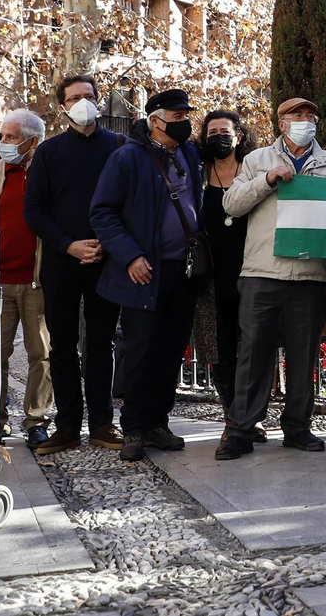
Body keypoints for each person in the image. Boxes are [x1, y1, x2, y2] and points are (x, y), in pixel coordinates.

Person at [216, 97, 326, 461]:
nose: (305, 120)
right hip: (262, 272)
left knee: (304, 356)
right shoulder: (257, 159)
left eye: (310, 115)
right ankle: (241, 430)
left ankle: (298, 428)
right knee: (253, 354)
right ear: (281, 123)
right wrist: (267, 180)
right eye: (297, 115)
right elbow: (231, 204)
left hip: (310, 274)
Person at [91, 88, 204, 462]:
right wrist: (130, 256)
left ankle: (158, 423)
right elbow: (103, 213)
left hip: (182, 270)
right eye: (176, 117)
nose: (184, 122)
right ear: (154, 120)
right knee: (141, 350)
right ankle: (134, 428)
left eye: (186, 115)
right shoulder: (127, 157)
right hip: (144, 271)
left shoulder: (188, 153)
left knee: (171, 351)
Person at [24, 74, 127, 454]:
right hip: (61, 262)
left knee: (101, 344)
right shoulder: (48, 152)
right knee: (62, 346)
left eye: (89, 96)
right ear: (62, 106)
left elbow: (129, 203)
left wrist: (108, 246)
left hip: (107, 261)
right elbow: (34, 211)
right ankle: (66, 425)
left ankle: (102, 423)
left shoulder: (120, 147)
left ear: (98, 101)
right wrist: (69, 245)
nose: (82, 103)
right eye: (74, 98)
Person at [0, 109, 54, 449]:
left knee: (41, 354)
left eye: (9, 137)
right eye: (2, 136)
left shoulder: (49, 173)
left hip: (37, 282)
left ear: (32, 142)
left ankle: (37, 421)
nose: (1, 143)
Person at [195, 110, 256, 425]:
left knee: (254, 345)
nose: (218, 137)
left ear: (239, 137)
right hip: (210, 274)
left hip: (252, 269)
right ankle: (232, 416)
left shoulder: (254, 172)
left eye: (225, 131)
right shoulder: (198, 175)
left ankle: (251, 415)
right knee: (219, 348)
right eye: (212, 132)